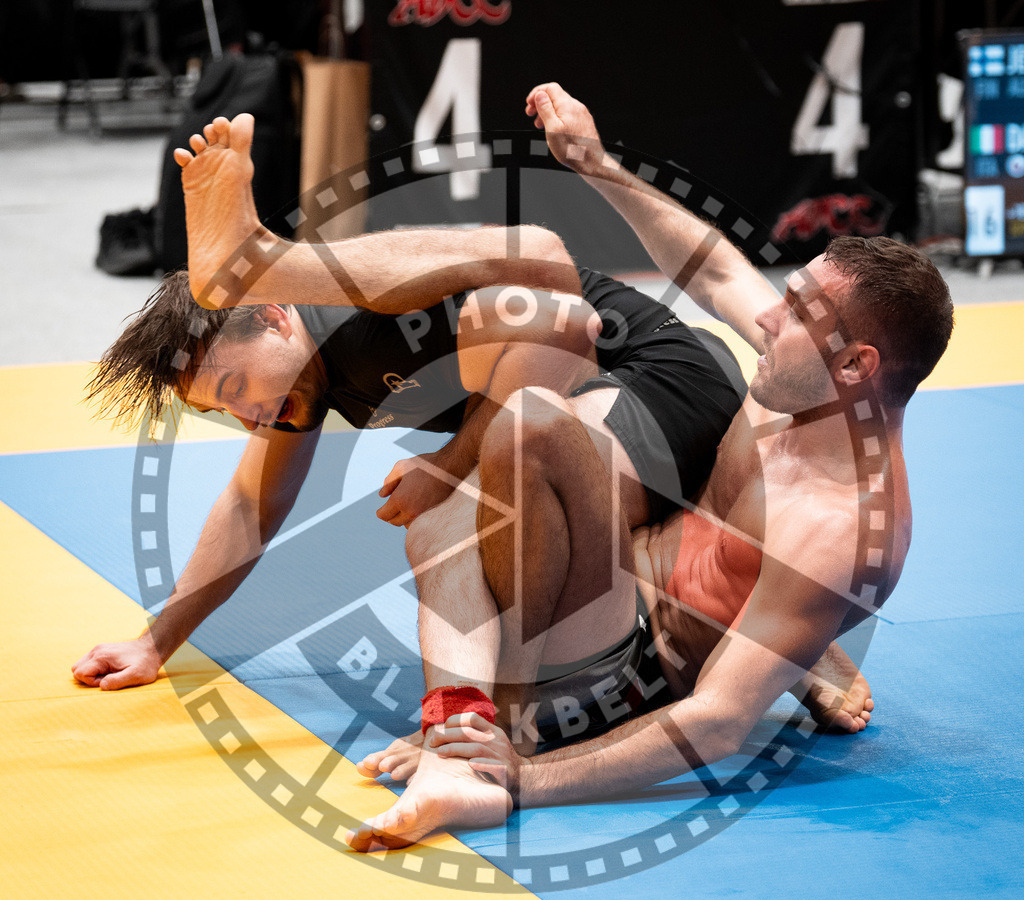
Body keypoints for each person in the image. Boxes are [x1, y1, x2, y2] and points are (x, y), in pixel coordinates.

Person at [341, 83, 953, 852]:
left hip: (629, 679)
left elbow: (720, 723)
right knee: (446, 512)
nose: (769, 317)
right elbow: (717, 270)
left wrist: (526, 773)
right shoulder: (810, 377)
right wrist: (598, 166)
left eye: (795, 315)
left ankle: (475, 744)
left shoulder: (841, 528)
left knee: (526, 431)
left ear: (859, 363)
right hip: (631, 573)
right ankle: (468, 726)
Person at [72, 112, 745, 693]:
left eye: (235, 388)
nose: (247, 415)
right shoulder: (305, 380)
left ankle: (737, 623)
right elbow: (249, 506)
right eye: (225, 411)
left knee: (485, 516)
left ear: (275, 318)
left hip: (657, 380)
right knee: (458, 521)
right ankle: (752, 616)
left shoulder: (362, 320)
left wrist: (451, 462)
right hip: (599, 409)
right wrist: (156, 643)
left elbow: (547, 267)